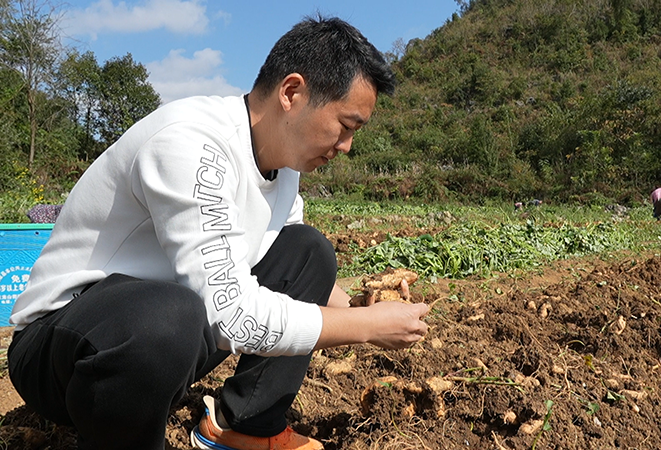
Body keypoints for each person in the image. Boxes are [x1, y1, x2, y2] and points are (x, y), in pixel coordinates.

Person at [7, 16, 429, 450]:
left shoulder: (283, 166)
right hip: (65, 344)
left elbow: (290, 265)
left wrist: (360, 304)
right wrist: (365, 326)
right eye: (346, 125)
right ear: (292, 92)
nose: (346, 146)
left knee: (309, 251)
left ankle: (245, 425)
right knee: (173, 315)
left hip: (166, 335)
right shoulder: (190, 145)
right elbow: (231, 316)